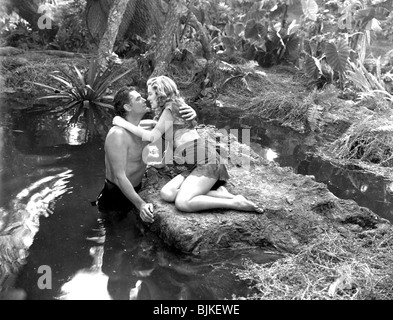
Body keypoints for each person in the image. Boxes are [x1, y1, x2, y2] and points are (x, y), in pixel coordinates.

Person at [113, 76, 261, 213]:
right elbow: (161, 132)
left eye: (150, 94)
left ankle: (235, 202)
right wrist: (161, 163)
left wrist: (122, 123)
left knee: (182, 203)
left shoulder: (171, 107)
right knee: (167, 193)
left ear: (160, 94)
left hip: (207, 163)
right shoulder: (168, 110)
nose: (148, 97)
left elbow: (152, 135)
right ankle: (219, 194)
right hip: (195, 167)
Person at [95, 86, 197, 223]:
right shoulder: (117, 134)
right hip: (116, 196)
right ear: (128, 107)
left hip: (136, 189)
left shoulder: (144, 128)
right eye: (138, 99)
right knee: (117, 236)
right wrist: (141, 204)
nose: (144, 100)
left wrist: (192, 112)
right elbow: (119, 177)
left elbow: (171, 120)